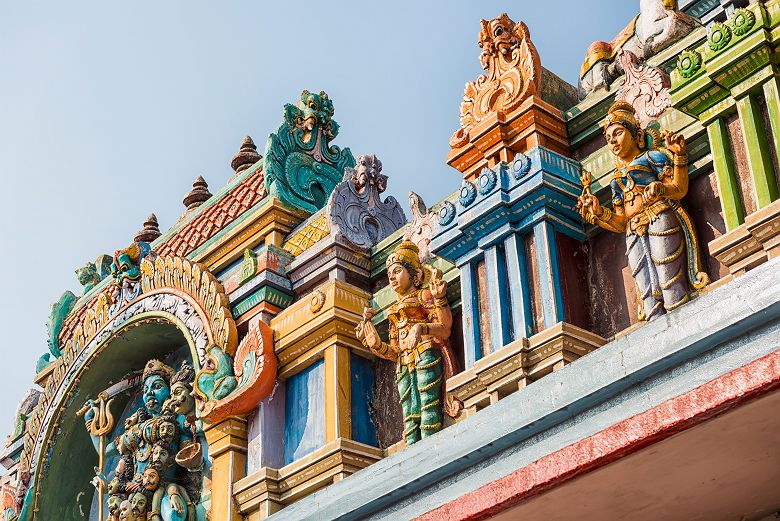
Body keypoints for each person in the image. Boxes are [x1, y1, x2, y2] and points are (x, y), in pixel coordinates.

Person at [578, 100, 708, 320]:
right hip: (633, 230)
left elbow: (678, 188)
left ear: (636, 135)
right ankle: (657, 329)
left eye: (617, 133)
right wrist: (598, 213)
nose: (613, 141)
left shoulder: (653, 157)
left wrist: (676, 161)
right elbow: (621, 221)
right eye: (609, 139)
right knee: (646, 288)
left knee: (668, 276)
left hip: (659, 217)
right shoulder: (616, 180)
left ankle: (683, 317)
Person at [356, 241, 460, 444]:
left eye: (397, 271)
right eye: (389, 275)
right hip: (404, 364)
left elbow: (445, 328)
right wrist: (376, 344)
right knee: (410, 415)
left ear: (416, 274)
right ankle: (415, 453)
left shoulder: (424, 296)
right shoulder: (394, 311)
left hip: (426, 354)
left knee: (429, 410)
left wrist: (423, 324)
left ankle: (431, 449)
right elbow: (395, 351)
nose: (393, 278)